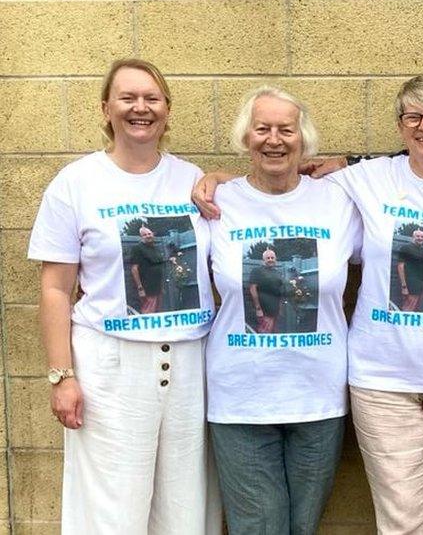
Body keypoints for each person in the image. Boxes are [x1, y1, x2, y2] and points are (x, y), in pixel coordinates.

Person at [197, 75, 423, 534]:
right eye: (413, 116)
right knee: (391, 520)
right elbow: (271, 180)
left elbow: (293, 180)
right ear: (399, 125)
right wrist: (215, 179)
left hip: (383, 382)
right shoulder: (224, 203)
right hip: (340, 382)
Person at [28, 59, 219, 534]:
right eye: (128, 98)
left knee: (185, 505)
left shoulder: (190, 177)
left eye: (152, 98)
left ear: (168, 110)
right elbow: (55, 288)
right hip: (109, 368)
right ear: (106, 108)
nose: (141, 108)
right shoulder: (76, 183)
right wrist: (61, 376)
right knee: (112, 507)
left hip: (189, 362)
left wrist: (224, 178)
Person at [205, 86, 362, 535]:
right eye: (262, 129)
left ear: (303, 139)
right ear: (246, 138)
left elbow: (401, 175)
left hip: (319, 396)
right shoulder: (217, 202)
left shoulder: (338, 201)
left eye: (285, 130)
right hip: (240, 399)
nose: (274, 139)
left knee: (303, 526)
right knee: (259, 526)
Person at [129, 225, 166, 313]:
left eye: (149, 234)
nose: (148, 236)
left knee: (157, 313)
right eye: (145, 235)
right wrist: (140, 288)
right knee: (148, 313)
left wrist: (161, 286)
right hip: (147, 288)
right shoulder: (137, 248)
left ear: (153, 234)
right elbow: (134, 269)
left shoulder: (155, 248)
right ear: (141, 237)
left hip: (157, 287)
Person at [248, 247, 285, 332]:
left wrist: (280, 309)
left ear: (275, 259)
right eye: (268, 258)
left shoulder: (278, 273)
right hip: (264, 312)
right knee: (264, 336)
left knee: (275, 336)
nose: (270, 260)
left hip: (276, 312)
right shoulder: (257, 271)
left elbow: (279, 292)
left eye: (272, 258)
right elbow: (253, 289)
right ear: (263, 260)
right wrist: (258, 309)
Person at [396, 227, 423, 311]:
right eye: (417, 236)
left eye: (422, 237)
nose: (420, 238)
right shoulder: (406, 248)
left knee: (416, 309)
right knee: (407, 310)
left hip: (421, 287)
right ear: (413, 237)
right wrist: (404, 286)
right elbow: (400, 266)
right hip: (410, 286)